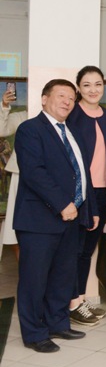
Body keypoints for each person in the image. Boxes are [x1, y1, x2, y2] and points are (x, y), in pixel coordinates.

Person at [14, 79, 98, 353]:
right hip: (39, 220)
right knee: (34, 279)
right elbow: (34, 172)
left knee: (63, 275)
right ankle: (34, 333)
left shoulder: (72, 132)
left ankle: (57, 323)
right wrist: (63, 204)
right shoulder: (30, 130)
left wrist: (91, 209)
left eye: (71, 98)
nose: (67, 102)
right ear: (44, 98)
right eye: (61, 96)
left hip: (72, 218)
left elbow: (82, 174)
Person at [66, 66, 106, 326]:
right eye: (86, 85)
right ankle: (71, 302)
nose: (93, 90)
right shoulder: (71, 116)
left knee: (87, 250)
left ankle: (79, 299)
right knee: (74, 250)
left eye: (97, 84)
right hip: (78, 194)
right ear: (78, 88)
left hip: (101, 193)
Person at [0, 88, 27, 260]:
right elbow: (2, 130)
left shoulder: (64, 117)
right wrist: (4, 105)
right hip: (21, 176)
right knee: (18, 228)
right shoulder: (23, 116)